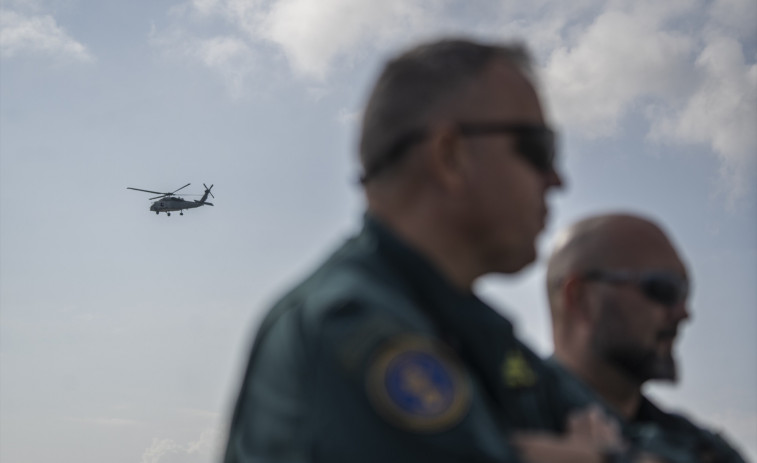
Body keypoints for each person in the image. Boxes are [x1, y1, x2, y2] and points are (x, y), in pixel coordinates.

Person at [223, 38, 626, 463]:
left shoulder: (478, 331)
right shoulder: (349, 324)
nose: (556, 180)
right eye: (537, 149)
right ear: (449, 156)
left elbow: (633, 439)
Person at [545, 213, 747, 462]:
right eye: (664, 289)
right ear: (581, 298)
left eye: (686, 294)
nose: (683, 314)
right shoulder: (500, 410)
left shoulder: (702, 449)